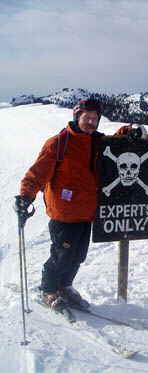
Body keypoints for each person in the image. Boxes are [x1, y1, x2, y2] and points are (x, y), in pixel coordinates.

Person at [15, 99, 106, 309]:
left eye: (95, 119)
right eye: (87, 118)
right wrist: (25, 196)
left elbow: (118, 143)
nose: (91, 122)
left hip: (86, 213)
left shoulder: (97, 142)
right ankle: (48, 289)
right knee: (61, 255)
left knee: (78, 256)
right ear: (77, 117)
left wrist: (131, 131)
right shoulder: (58, 143)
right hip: (64, 213)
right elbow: (37, 173)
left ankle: (65, 285)